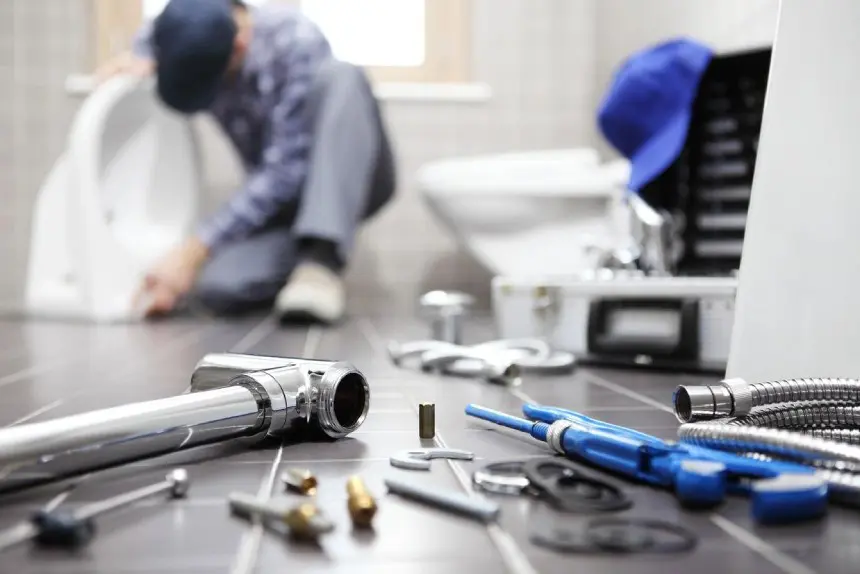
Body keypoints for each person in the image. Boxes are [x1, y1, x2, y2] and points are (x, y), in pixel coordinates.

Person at [100, 0, 396, 324]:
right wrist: (138, 58)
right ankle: (302, 264)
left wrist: (192, 250)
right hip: (283, 206)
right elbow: (153, 35)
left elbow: (284, 171)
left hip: (349, 173)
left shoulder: (294, 39)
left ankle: (321, 262)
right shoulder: (182, 29)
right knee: (220, 286)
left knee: (342, 76)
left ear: (238, 45)